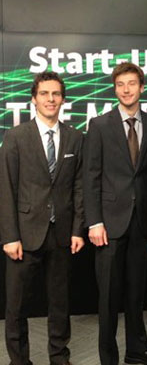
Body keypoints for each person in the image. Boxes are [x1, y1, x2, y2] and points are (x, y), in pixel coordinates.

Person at [0, 71, 84, 365]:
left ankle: (59, 357)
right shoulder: (15, 136)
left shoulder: (75, 137)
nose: (51, 99)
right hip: (23, 234)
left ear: (63, 99)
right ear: (33, 99)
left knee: (60, 303)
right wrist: (9, 236)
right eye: (45, 94)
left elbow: (78, 187)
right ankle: (19, 360)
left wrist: (77, 230)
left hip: (61, 234)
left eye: (56, 94)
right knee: (16, 305)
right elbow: (6, 188)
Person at [83, 62, 147, 365]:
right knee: (107, 299)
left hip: (141, 224)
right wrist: (94, 221)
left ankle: (135, 350)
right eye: (121, 84)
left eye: (132, 83)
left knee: (136, 294)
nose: (127, 89)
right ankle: (109, 357)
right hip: (108, 224)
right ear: (114, 89)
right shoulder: (99, 125)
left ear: (142, 87)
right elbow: (90, 176)